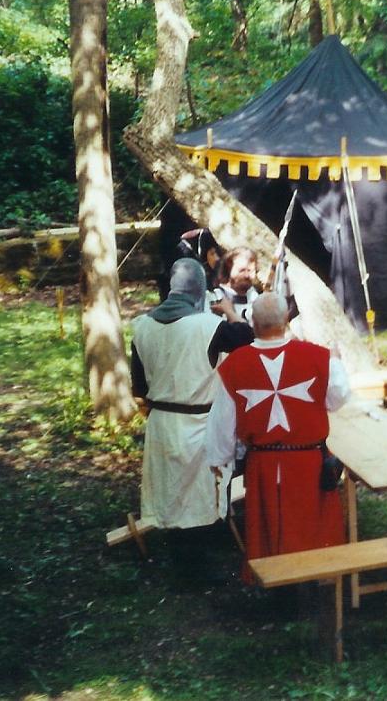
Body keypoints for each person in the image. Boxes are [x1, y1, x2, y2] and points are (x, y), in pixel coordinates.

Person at [205, 293, 351, 583]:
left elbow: (223, 423)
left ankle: (280, 592)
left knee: (271, 527)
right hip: (309, 461)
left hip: (264, 464)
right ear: (286, 320)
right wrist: (335, 363)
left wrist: (219, 460)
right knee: (311, 525)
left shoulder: (234, 365)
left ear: (253, 323)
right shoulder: (320, 357)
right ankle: (313, 586)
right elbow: (338, 399)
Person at [131, 258, 254, 564]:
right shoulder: (209, 326)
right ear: (200, 290)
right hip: (198, 421)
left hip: (161, 421)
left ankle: (185, 561)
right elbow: (248, 338)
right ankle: (194, 569)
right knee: (198, 493)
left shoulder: (142, 326)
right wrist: (228, 311)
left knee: (174, 491)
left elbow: (139, 388)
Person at [211, 247, 259, 323]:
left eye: (250, 271)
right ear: (229, 269)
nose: (247, 275)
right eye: (242, 270)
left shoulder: (256, 300)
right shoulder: (214, 297)